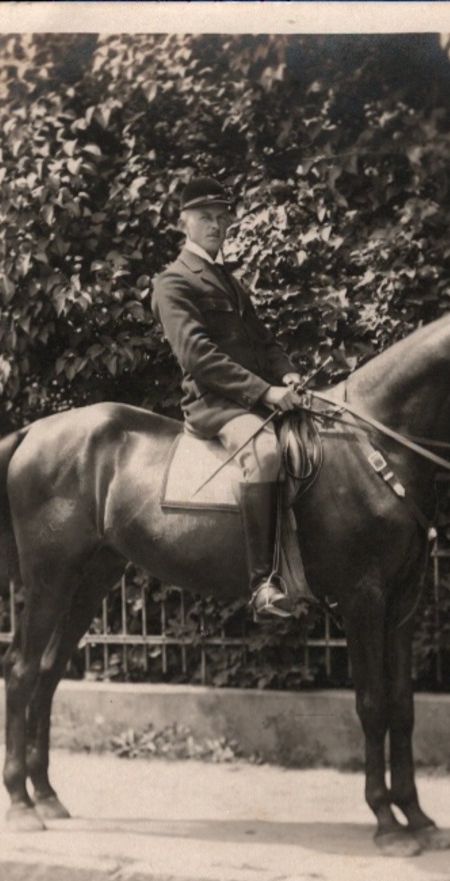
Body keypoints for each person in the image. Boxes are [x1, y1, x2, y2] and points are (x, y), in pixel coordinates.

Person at [152, 175, 303, 620]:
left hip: (254, 399)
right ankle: (263, 583)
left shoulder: (230, 282)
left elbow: (265, 341)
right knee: (267, 451)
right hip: (214, 406)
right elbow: (198, 357)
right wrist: (265, 391)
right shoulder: (174, 282)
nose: (216, 225)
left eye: (222, 217)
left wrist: (287, 372)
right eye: (205, 217)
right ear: (185, 223)